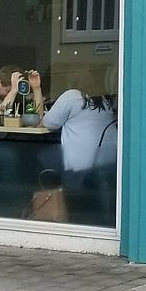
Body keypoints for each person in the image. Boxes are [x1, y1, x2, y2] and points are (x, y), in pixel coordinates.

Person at [39, 89, 117, 225]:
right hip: (109, 158)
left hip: (79, 163)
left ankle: (46, 209)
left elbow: (47, 123)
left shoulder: (71, 96)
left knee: (39, 155)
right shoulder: (105, 100)